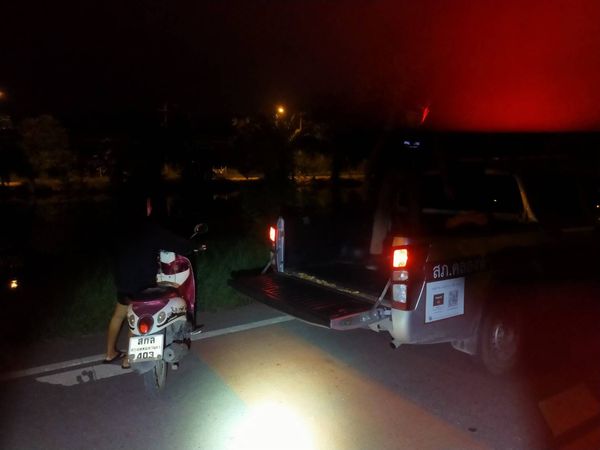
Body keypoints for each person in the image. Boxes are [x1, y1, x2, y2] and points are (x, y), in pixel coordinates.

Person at [104, 195, 193, 368]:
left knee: (118, 315)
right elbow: (175, 243)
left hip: (122, 281)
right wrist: (191, 246)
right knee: (137, 315)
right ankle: (128, 359)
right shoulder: (149, 228)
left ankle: (109, 353)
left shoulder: (118, 229)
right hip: (142, 284)